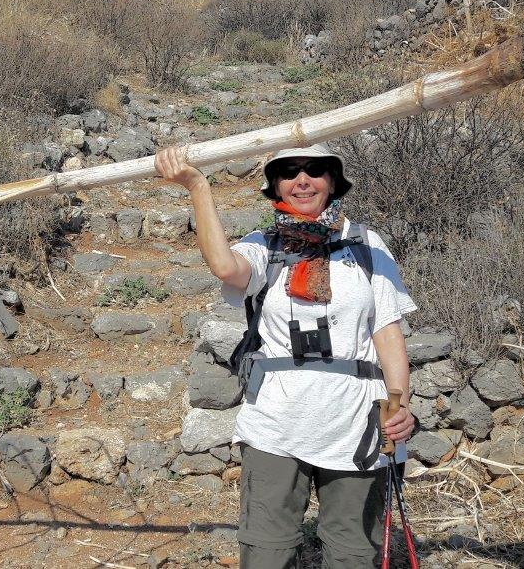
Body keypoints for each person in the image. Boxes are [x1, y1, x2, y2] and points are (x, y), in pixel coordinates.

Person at [155, 142, 417, 569]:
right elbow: (225, 267)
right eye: (289, 171)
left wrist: (399, 403)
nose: (302, 180)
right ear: (275, 185)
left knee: (354, 554)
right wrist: (197, 186)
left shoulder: (366, 244)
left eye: (315, 170)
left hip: (358, 422)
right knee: (266, 551)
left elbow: (386, 330)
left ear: (332, 182)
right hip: (277, 423)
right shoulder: (264, 246)